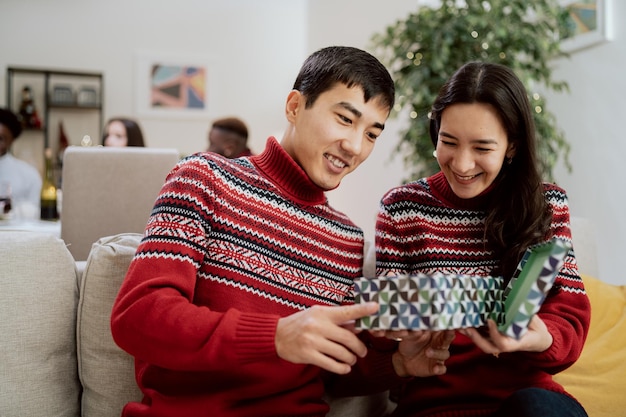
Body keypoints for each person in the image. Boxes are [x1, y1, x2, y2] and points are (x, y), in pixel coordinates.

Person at [110, 45, 454, 417]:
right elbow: (138, 316)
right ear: (294, 107)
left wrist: (399, 366)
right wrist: (274, 336)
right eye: (344, 119)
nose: (355, 146)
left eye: (371, 134)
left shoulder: (346, 239)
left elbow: (326, 372)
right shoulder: (204, 179)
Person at [374, 61, 590, 417]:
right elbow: (384, 317)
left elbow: (569, 314)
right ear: (435, 132)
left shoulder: (546, 204)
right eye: (449, 141)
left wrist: (540, 337)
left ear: (512, 146)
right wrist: (399, 329)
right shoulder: (402, 208)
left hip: (528, 399)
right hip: (433, 403)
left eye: (482, 148)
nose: (461, 164)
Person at [0, 108, 42, 215]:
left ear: (12, 139)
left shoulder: (29, 175)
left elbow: (37, 212)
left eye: (1, 139)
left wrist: (14, 211)